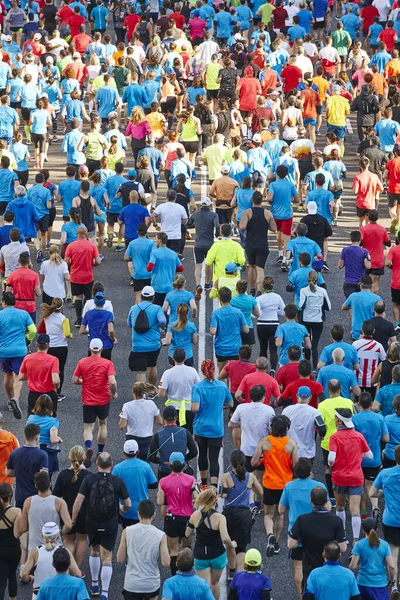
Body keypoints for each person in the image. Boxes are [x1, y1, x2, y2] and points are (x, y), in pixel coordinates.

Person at [71, 452, 131, 598]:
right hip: (110, 523)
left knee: (94, 551)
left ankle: (95, 584)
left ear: (97, 464)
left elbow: (78, 501)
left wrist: (73, 519)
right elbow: (128, 503)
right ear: (111, 465)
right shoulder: (118, 481)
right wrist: (122, 509)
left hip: (91, 521)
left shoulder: (88, 479)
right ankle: (104, 593)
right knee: (107, 557)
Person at [278, 459, 328, 600]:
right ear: (310, 471)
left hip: (297, 533)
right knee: (319, 567)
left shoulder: (289, 487)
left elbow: (281, 510)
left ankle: (302, 597)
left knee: (298, 567)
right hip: (318, 532)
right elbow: (328, 507)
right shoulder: (319, 486)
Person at [251, 415, 298, 557]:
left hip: (270, 483)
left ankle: (269, 535)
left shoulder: (264, 442)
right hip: (285, 484)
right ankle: (276, 542)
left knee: (268, 515)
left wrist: (263, 460)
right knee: (280, 515)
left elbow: (253, 462)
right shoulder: (291, 444)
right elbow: (295, 465)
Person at [328, 408, 372, 545]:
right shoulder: (358, 436)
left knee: (340, 507)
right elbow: (370, 455)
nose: (334, 420)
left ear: (340, 421)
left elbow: (331, 459)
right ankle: (356, 540)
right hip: (356, 477)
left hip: (339, 477)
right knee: (355, 510)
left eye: (335, 418)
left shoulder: (334, 437)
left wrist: (332, 465)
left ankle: (342, 537)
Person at [72, 338, 117, 466]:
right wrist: (113, 392)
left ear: (90, 349)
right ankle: (100, 452)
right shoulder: (107, 363)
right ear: (101, 349)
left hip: (88, 400)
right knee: (103, 424)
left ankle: (88, 447)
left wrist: (83, 381)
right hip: (103, 399)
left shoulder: (82, 362)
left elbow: (74, 379)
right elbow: (112, 381)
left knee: (88, 427)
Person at [186, 487, 236, 599]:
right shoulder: (220, 518)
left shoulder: (195, 515)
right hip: (217, 555)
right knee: (215, 583)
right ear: (216, 500)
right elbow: (225, 538)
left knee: (203, 586)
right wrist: (231, 544)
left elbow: (187, 533)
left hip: (200, 555)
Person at [288, 488, 347, 583]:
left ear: (311, 500)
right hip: (330, 568)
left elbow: (291, 544)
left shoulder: (302, 520)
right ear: (326, 501)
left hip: (310, 568)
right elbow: (343, 548)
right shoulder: (336, 520)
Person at [221, 450, 263, 579]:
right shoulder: (251, 477)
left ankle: (232, 571)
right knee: (241, 547)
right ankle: (239, 574)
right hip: (244, 515)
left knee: (230, 543)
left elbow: (224, 495)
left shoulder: (226, 477)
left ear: (231, 462)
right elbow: (260, 492)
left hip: (229, 514)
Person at [117, 499, 170, 600]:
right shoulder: (160, 535)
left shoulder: (127, 532)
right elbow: (166, 562)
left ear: (138, 514)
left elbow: (120, 559)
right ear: (154, 515)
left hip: (132, 583)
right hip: (151, 584)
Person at [192, 360, 232, 489]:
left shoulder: (198, 387)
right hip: (216, 429)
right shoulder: (222, 386)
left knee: (202, 455)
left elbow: (195, 407)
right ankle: (214, 487)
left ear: (202, 370)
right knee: (214, 458)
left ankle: (203, 484)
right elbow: (230, 404)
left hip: (201, 428)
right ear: (214, 369)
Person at [157, 451, 197, 575]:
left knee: (173, 549)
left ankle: (175, 575)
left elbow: (160, 501)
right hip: (187, 519)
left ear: (170, 465)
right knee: (187, 548)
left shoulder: (163, 481)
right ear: (184, 465)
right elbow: (196, 498)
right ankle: (188, 572)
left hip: (171, 517)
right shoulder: (191, 479)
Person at [52, 445, 91, 569]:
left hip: (66, 512)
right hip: (84, 513)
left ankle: (68, 567)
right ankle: (77, 569)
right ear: (83, 458)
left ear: (70, 458)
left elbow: (56, 495)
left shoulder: (63, 475)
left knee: (68, 539)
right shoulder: (88, 476)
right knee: (81, 540)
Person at [18, 471, 72, 556]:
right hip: (55, 548)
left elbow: (23, 528)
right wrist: (58, 534)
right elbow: (68, 524)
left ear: (36, 485)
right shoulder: (59, 502)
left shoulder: (28, 502)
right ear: (49, 484)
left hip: (35, 549)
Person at [0, 291, 36, 418]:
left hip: (4, 350)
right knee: (18, 376)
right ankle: (16, 398)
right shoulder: (23, 314)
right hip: (20, 350)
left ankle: (11, 400)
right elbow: (33, 330)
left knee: (7, 374)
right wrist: (27, 339)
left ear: (4, 302)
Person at [353, 392, 389, 517]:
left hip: (359, 459)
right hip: (374, 459)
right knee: (371, 485)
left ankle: (363, 514)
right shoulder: (379, 418)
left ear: (359, 404)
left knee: (360, 487)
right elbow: (386, 438)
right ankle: (375, 507)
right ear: (371, 403)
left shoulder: (354, 419)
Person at [370, 445, 400, 593]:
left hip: (392, 520)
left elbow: (372, 492)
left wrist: (385, 492)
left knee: (393, 553)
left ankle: (394, 585)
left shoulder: (385, 473)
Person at [127, 285, 167, 385]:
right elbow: (162, 321)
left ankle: (142, 393)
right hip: (154, 344)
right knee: (152, 365)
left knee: (140, 370)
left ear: (141, 296)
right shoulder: (157, 308)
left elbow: (129, 324)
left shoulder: (133, 308)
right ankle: (151, 390)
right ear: (153, 297)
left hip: (138, 345)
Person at [113, 439, 158, 528]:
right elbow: (154, 484)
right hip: (142, 509)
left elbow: (112, 486)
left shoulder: (117, 468)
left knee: (126, 532)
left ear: (124, 453)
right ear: (138, 452)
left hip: (125, 509)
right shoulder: (145, 466)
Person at [239, 191, 277, 295]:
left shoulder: (247, 212)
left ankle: (252, 289)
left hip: (250, 244)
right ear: (262, 200)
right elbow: (274, 228)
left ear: (252, 200)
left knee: (251, 266)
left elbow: (242, 226)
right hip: (262, 244)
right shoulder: (267, 213)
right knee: (260, 269)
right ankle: (260, 291)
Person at [350, 517, 397, 600]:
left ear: (363, 529)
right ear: (377, 528)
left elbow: (352, 566)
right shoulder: (384, 545)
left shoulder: (359, 545)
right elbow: (392, 566)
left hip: (363, 583)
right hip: (380, 584)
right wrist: (392, 581)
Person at [65, 225, 101, 327]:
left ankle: (78, 319)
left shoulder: (71, 246)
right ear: (86, 234)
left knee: (77, 297)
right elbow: (98, 261)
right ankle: (87, 319)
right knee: (88, 297)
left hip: (75, 276)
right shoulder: (92, 246)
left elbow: (65, 261)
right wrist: (92, 261)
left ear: (77, 234)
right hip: (88, 276)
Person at [19, 333, 60, 416]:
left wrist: (31, 375)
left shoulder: (28, 358)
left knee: (32, 418)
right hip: (49, 394)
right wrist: (57, 386)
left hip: (34, 394)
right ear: (48, 345)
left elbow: (21, 377)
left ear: (36, 344)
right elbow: (55, 380)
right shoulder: (53, 360)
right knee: (50, 418)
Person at [210, 287, 249, 371]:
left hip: (221, 348)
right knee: (234, 374)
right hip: (235, 348)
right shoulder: (238, 312)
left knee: (221, 374)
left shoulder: (216, 313)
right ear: (231, 298)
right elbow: (246, 330)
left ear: (219, 299)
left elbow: (213, 331)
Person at [282, 387, 326, 460]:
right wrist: (321, 436)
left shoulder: (286, 410)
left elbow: (281, 427)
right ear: (310, 397)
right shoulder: (315, 412)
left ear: (296, 396)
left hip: (289, 451)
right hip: (308, 453)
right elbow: (322, 429)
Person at [118, 381, 162, 456]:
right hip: (147, 438)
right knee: (145, 459)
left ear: (133, 392)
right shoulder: (151, 404)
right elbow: (159, 421)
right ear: (144, 393)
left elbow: (122, 425)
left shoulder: (127, 406)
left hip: (132, 438)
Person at [299, 270, 331, 369]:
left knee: (306, 344)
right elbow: (329, 307)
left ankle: (307, 366)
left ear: (307, 279)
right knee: (314, 345)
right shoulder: (322, 291)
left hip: (306, 320)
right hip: (318, 321)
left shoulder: (303, 291)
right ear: (317, 280)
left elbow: (300, 306)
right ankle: (314, 369)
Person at [256, 277, 285, 373]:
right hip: (274, 324)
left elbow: (257, 313)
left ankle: (262, 369)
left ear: (263, 286)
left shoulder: (259, 298)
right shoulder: (277, 297)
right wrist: (275, 310)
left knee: (263, 348)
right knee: (273, 349)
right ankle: (273, 369)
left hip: (261, 324)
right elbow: (283, 312)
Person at [342, 275, 382, 341]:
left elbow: (343, 307)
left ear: (360, 285)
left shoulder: (353, 296)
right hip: (371, 331)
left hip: (357, 332)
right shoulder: (377, 298)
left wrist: (352, 306)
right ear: (371, 285)